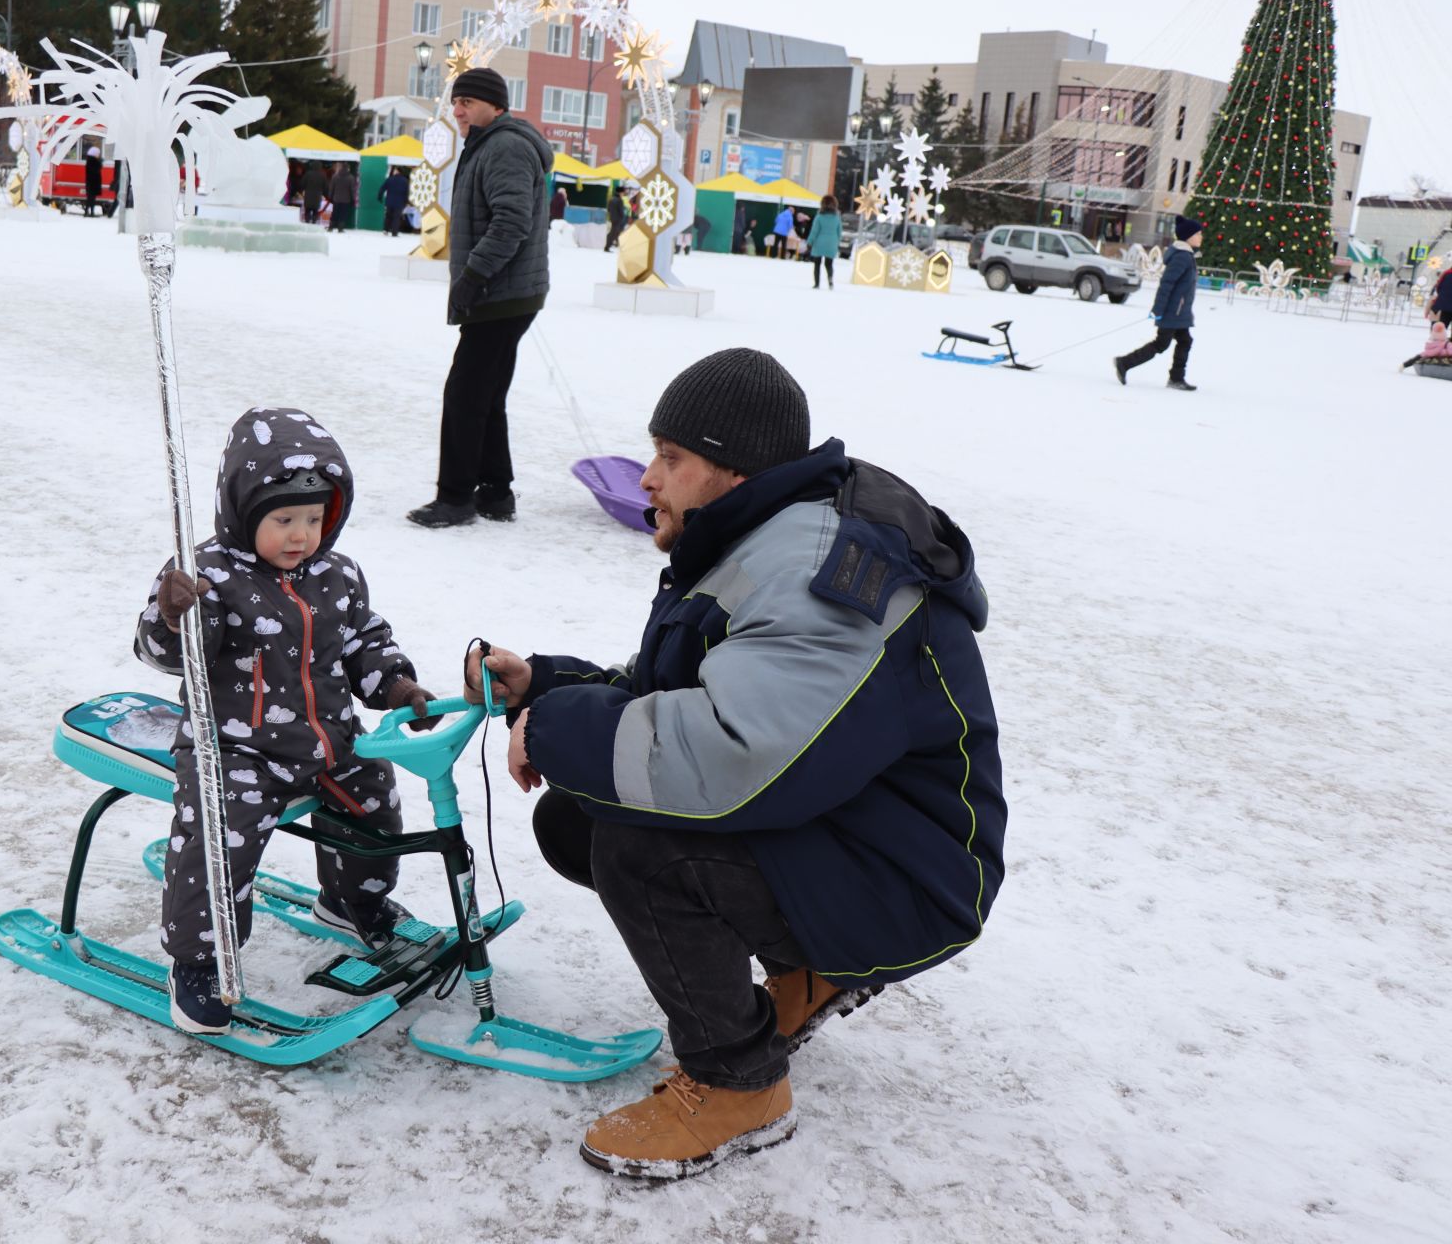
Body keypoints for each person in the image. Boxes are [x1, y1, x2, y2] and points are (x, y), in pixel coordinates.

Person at [465, 348, 1007, 1180]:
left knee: (639, 846)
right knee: (580, 814)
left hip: (915, 875)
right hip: (859, 829)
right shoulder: (769, 534)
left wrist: (560, 730)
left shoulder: (820, 576)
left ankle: (738, 1084)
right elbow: (698, 690)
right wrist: (550, 684)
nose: (647, 479)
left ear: (735, 470)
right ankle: (809, 969)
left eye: (671, 459)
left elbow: (728, 753)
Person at [134, 407, 438, 1034]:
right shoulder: (207, 576)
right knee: (218, 837)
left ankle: (351, 900)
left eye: (314, 518)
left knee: (373, 798)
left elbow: (363, 642)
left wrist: (398, 684)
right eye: (283, 520)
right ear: (244, 513)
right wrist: (173, 617)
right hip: (234, 750)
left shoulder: (338, 574)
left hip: (327, 741)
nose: (301, 534)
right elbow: (164, 656)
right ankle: (198, 960)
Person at [406, 67, 552, 530]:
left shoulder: (505, 145)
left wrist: (473, 275)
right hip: (506, 293)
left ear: (495, 104)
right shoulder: (491, 142)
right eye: (456, 101)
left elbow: (511, 222)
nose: (458, 110)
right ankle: (495, 491)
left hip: (500, 293)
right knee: (485, 394)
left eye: (467, 101)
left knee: (465, 394)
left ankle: (455, 497)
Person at [1115, 215, 1204, 391]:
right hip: (1173, 312)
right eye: (1198, 234)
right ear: (1188, 236)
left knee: (1184, 341)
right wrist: (1158, 309)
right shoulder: (1182, 257)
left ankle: (1176, 378)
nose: (1201, 237)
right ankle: (1124, 363)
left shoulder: (1186, 255)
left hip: (1179, 311)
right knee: (1162, 344)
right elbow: (1166, 284)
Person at [807, 194, 842, 288]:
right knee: (829, 264)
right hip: (832, 242)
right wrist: (837, 242)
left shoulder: (819, 217)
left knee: (817, 264)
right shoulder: (837, 218)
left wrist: (810, 242)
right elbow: (839, 232)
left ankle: (817, 283)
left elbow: (814, 231)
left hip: (819, 242)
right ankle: (830, 280)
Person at [380, 165, 411, 237]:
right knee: (396, 217)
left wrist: (380, 196)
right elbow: (406, 192)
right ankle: (394, 232)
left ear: (397, 171)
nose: (394, 171)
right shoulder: (405, 181)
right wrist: (406, 202)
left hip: (389, 201)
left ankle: (386, 230)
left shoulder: (390, 179)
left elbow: (383, 188)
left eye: (395, 170)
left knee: (388, 216)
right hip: (399, 203)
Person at [328, 161, 358, 232]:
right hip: (346, 200)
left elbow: (331, 188)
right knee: (343, 214)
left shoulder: (335, 176)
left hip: (336, 199)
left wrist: (330, 197)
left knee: (334, 213)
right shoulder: (350, 178)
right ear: (348, 168)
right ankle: (340, 228)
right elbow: (352, 190)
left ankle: (331, 227)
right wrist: (353, 199)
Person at [301, 162, 328, 226]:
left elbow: (302, 184)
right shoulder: (322, 175)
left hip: (308, 195)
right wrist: (325, 194)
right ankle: (313, 223)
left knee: (307, 210)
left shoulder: (308, 174)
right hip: (317, 196)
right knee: (315, 211)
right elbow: (326, 187)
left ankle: (307, 223)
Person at [603, 185, 628, 252]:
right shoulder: (619, 200)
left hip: (612, 218)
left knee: (614, 232)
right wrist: (622, 217)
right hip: (618, 219)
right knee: (614, 232)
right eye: (623, 192)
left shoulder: (611, 199)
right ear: (620, 192)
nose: (623, 194)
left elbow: (608, 209)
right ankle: (607, 246)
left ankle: (610, 245)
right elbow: (621, 210)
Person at [84, 140, 105, 217]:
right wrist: (100, 163)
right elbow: (96, 170)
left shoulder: (90, 161)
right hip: (92, 183)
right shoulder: (93, 161)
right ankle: (90, 212)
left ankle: (87, 212)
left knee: (90, 199)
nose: (98, 155)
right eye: (98, 154)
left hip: (91, 183)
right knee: (91, 199)